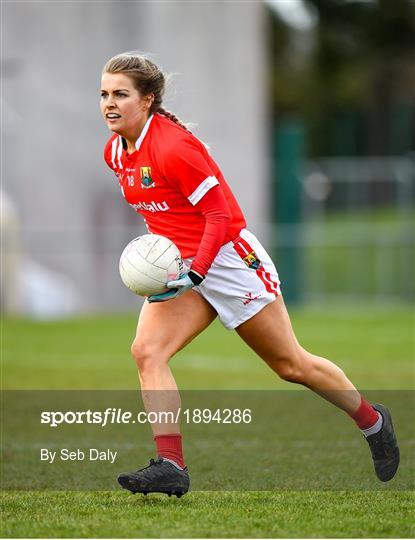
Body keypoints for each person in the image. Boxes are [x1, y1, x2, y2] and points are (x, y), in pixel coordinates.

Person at [100, 52, 399, 498]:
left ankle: (373, 422)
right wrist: (169, 266)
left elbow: (222, 215)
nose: (109, 103)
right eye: (104, 94)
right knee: (147, 352)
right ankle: (171, 465)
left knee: (290, 365)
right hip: (183, 270)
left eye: (121, 94)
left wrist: (198, 271)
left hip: (228, 261)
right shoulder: (115, 152)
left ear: (148, 100)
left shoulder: (174, 147)